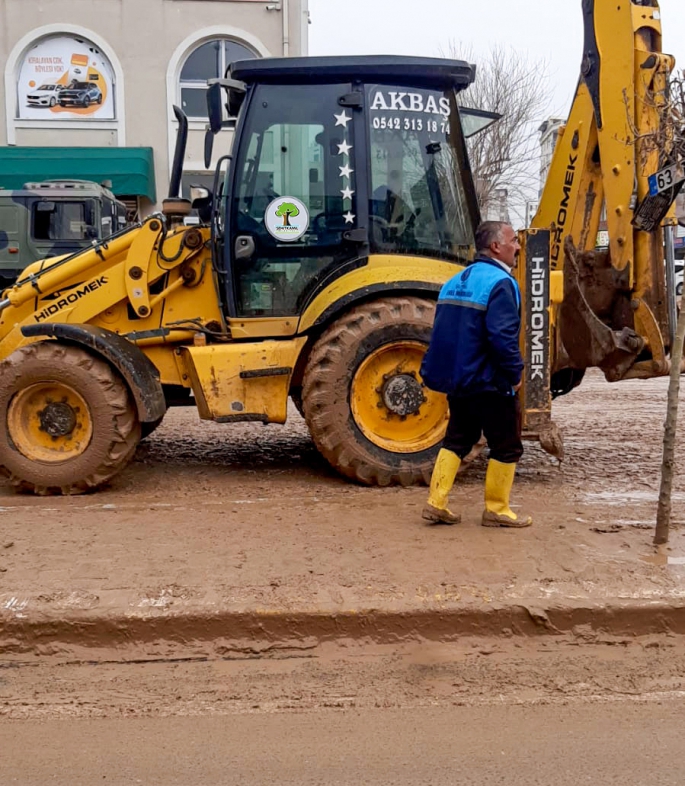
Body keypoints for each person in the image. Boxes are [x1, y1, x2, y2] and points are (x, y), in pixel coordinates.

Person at [420, 220, 532, 528]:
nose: (518, 246)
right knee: (507, 444)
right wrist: (514, 372)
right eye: (513, 241)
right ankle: (497, 509)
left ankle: (436, 502)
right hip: (490, 381)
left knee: (458, 438)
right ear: (496, 246)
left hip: (460, 379)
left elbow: (443, 332)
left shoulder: (454, 281)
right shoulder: (502, 283)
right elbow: (501, 336)